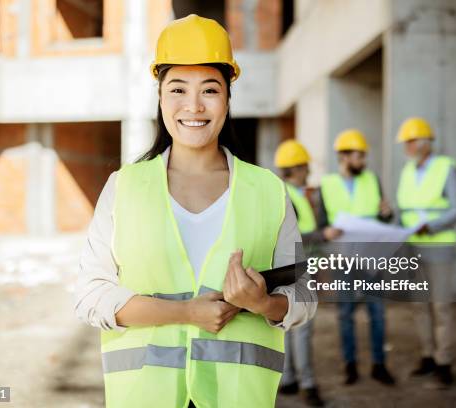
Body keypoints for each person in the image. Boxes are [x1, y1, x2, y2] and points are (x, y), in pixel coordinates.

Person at [73, 14, 317, 408]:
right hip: (145, 398)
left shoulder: (268, 191)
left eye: (209, 89)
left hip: (239, 398)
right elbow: (89, 295)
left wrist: (263, 304)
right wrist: (185, 312)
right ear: (160, 97)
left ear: (227, 98)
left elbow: (305, 293)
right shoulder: (125, 187)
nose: (193, 106)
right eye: (177, 89)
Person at [317, 129, 395, 386]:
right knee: (346, 314)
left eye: (364, 156)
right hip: (343, 259)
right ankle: (350, 365)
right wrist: (326, 232)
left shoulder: (372, 179)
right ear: (344, 157)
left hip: (372, 257)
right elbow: (322, 224)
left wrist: (386, 213)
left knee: (378, 313)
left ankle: (379, 365)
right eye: (358, 156)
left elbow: (383, 217)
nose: (363, 161)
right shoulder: (326, 185)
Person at [396, 117, 456, 386]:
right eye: (405, 143)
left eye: (410, 142)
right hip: (413, 247)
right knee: (419, 306)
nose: (407, 147)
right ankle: (427, 356)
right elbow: (405, 211)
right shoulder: (407, 171)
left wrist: (431, 226)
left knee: (441, 307)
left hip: (440, 247)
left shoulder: (446, 167)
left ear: (425, 143)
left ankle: (443, 361)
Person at [273, 140, 342, 407]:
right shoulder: (287, 195)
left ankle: (289, 379)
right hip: (297, 266)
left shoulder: (297, 193)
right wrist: (322, 234)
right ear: (296, 168)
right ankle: (308, 384)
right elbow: (295, 236)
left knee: (290, 324)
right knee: (302, 326)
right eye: (305, 167)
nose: (309, 171)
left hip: (301, 264)